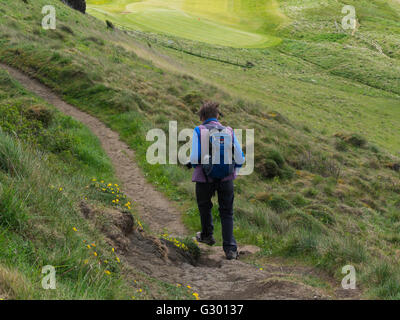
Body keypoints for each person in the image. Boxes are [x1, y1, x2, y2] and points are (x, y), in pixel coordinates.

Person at [189, 101, 245, 260]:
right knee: (227, 212)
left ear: (202, 117)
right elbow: (240, 158)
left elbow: (194, 158)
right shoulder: (229, 131)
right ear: (217, 116)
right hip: (226, 179)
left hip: (204, 178)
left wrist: (196, 165)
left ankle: (207, 235)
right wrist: (232, 170)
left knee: (205, 206)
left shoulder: (199, 130)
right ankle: (230, 249)